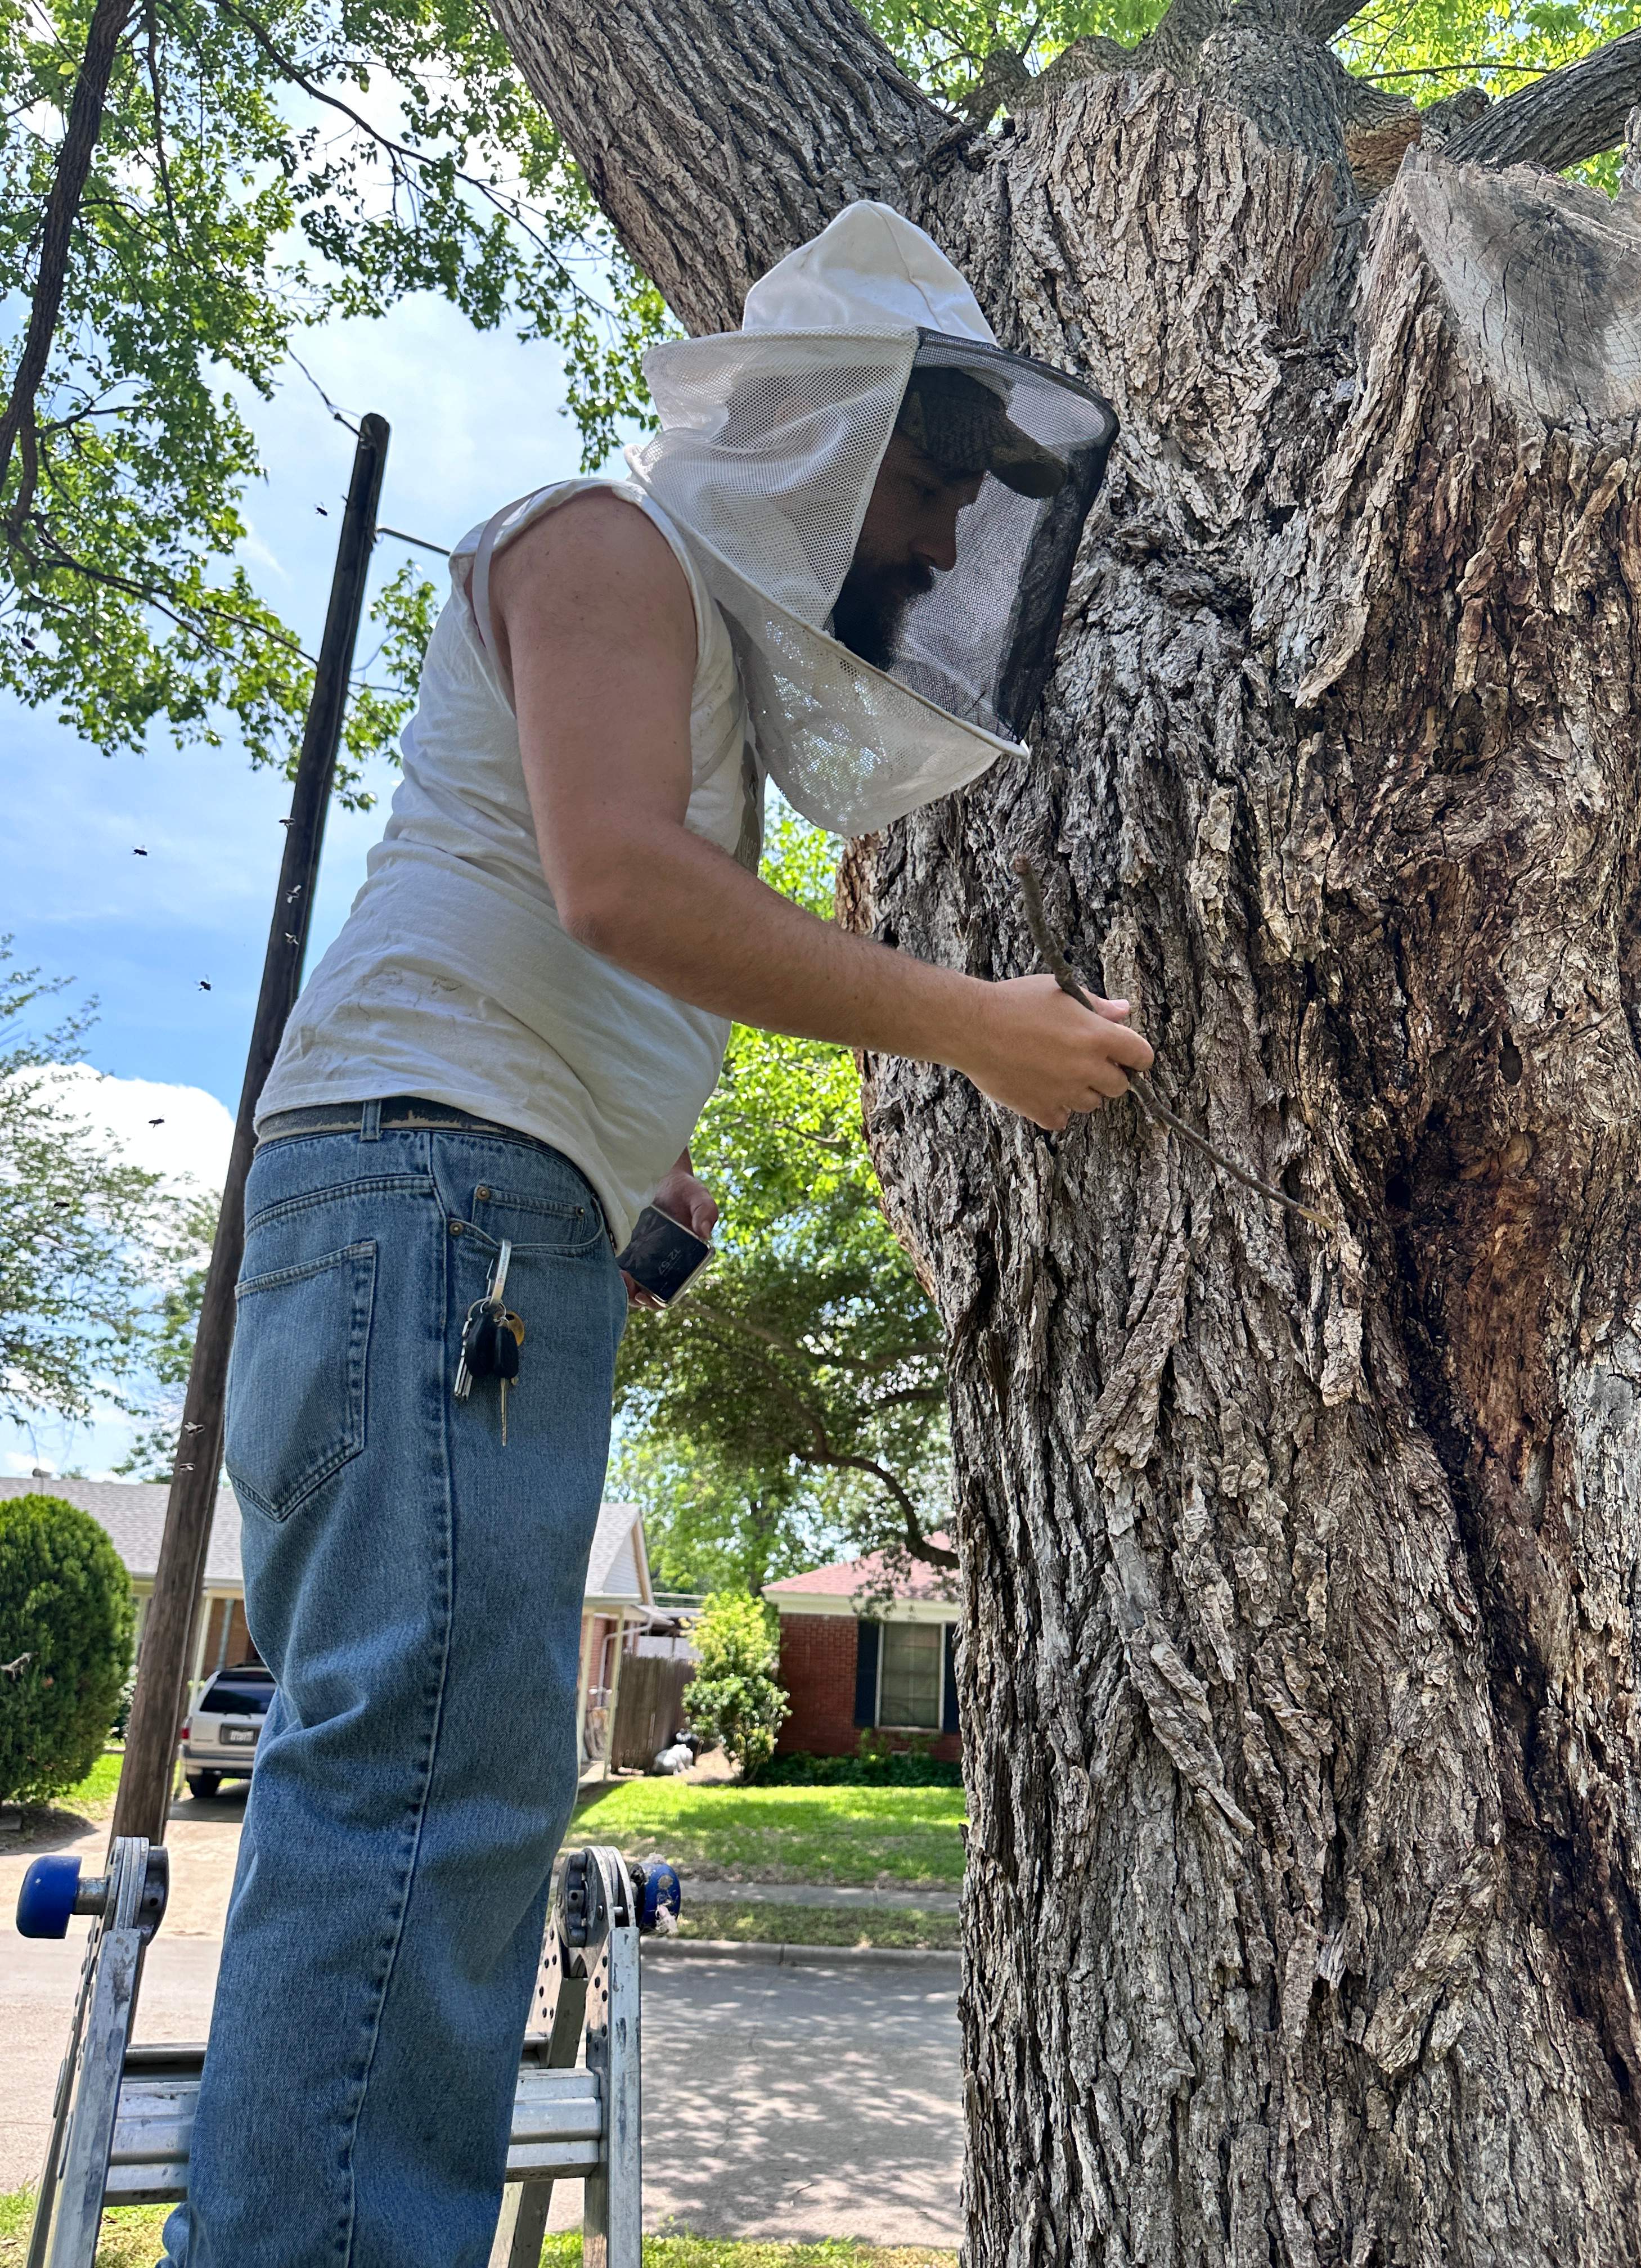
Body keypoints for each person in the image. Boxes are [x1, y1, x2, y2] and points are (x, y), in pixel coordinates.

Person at [163, 201, 1150, 2268]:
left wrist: (641, 1158)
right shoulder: (604, 545)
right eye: (932, 472)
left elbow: (568, 914)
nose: (945, 534)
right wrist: (971, 1027)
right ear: (806, 427)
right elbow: (610, 881)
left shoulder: (687, 651)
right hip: (442, 1200)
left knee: (446, 1776)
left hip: (479, 1209)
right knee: (425, 1780)